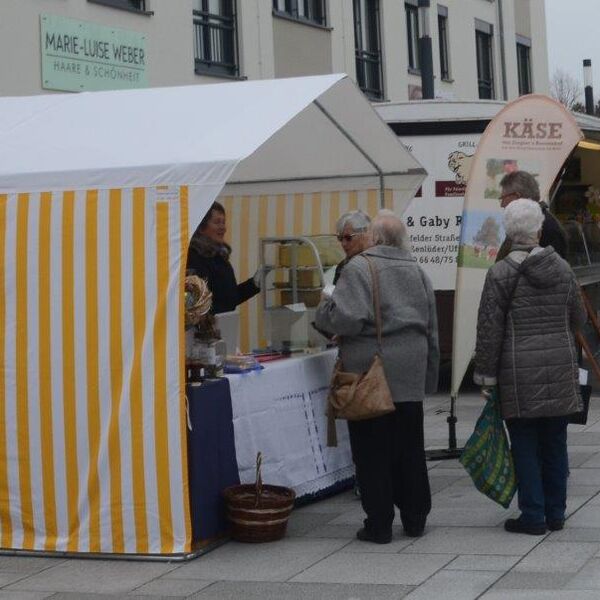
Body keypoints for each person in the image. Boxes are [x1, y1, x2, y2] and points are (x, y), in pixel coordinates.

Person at [315, 210, 439, 544]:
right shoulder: (416, 268)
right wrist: (429, 374)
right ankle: (415, 518)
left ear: (375, 237)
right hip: (410, 371)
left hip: (372, 371)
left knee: (372, 451)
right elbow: (432, 326)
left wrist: (325, 304)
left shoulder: (359, 268)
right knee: (410, 449)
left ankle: (380, 524)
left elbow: (348, 320)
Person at [474, 199, 585, 535]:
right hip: (560, 365)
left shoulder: (500, 273)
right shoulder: (563, 269)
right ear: (539, 229)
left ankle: (533, 515)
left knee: (523, 445)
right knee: (555, 443)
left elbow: (489, 329)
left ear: (509, 232)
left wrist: (486, 376)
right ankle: (556, 513)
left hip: (517, 372)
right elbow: (578, 318)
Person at [187, 201, 260, 314]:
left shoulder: (219, 256)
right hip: (207, 329)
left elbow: (230, 298)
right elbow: (198, 304)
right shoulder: (194, 257)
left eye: (223, 222)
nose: (223, 228)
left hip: (225, 324)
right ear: (201, 227)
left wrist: (255, 283)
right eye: (217, 222)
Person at [497, 170, 567, 260]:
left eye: (503, 198)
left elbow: (552, 271)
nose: (502, 204)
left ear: (517, 197)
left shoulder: (548, 228)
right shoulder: (524, 223)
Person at [333, 210, 372, 284]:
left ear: (364, 235)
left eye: (348, 238)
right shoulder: (342, 267)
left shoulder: (377, 265)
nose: (343, 243)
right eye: (340, 238)